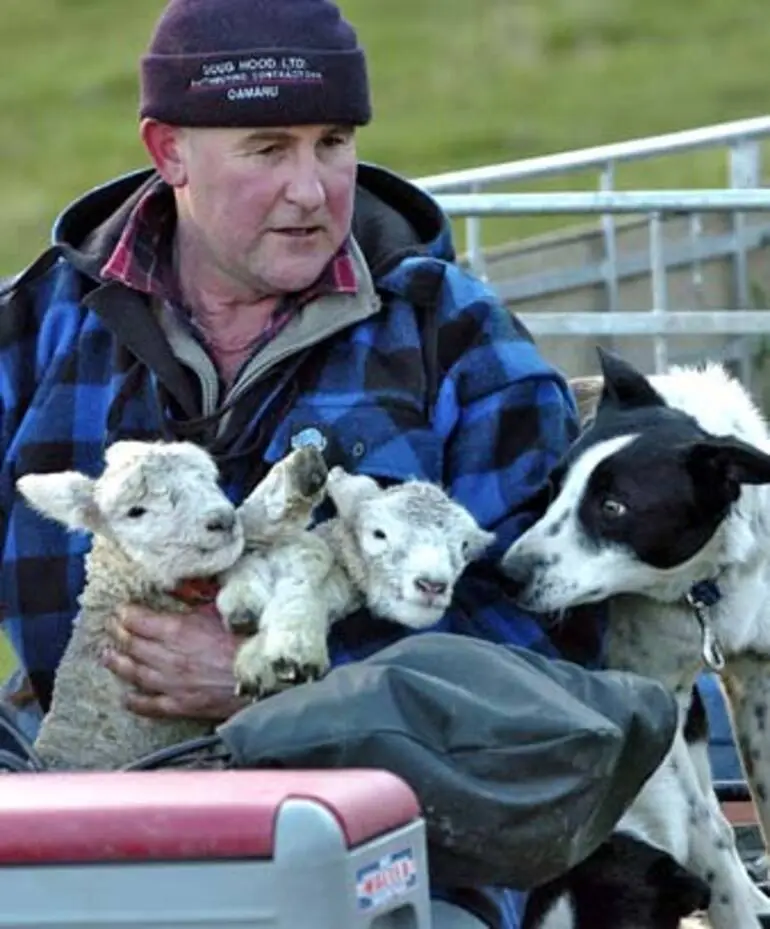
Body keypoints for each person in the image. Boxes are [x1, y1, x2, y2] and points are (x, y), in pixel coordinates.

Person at [0, 0, 606, 925]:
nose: (314, 190)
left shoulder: (453, 336)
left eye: (333, 141)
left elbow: (546, 647)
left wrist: (286, 683)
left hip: (399, 860)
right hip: (87, 831)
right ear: (170, 153)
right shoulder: (41, 325)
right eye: (268, 148)